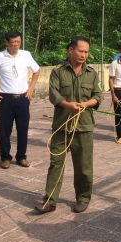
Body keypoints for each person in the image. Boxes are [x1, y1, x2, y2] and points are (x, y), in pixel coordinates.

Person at [35, 36, 103, 214]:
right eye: (80, 51)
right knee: (56, 163)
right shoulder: (58, 71)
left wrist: (86, 105)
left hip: (84, 126)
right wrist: (67, 105)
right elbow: (54, 94)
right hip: (61, 126)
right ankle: (50, 200)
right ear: (70, 50)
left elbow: (98, 95)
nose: (83, 55)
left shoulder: (92, 73)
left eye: (86, 52)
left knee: (83, 166)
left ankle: (83, 198)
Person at [0, 30, 40, 169]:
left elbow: (36, 70)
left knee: (23, 129)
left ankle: (21, 157)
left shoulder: (26, 55)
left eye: (18, 42)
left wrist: (31, 88)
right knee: (5, 130)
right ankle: (5, 158)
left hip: (23, 98)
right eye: (13, 42)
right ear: (7, 42)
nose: (16, 45)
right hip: (6, 99)